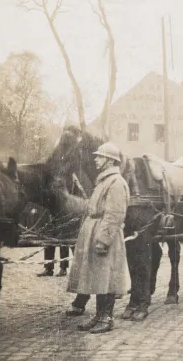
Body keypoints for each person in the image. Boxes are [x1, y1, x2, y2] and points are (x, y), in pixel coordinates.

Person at [65, 142, 131, 334]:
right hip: (95, 230)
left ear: (110, 161)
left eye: (100, 156)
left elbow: (114, 214)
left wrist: (103, 239)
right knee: (97, 275)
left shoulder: (116, 182)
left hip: (105, 234)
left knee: (106, 276)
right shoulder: (103, 180)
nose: (95, 159)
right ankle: (98, 315)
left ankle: (107, 317)